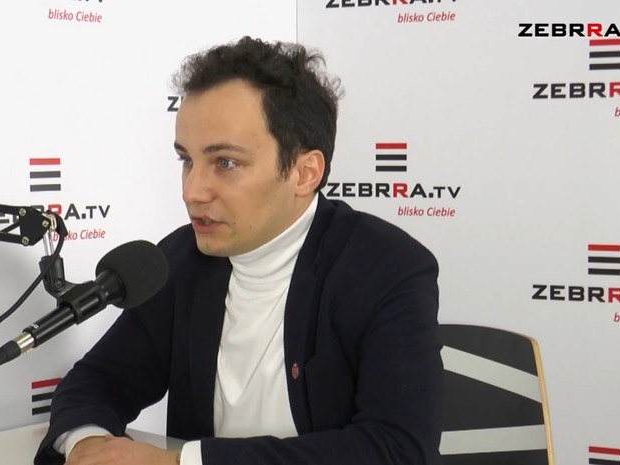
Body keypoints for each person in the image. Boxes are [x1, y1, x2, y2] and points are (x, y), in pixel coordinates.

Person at [34, 36, 443, 465]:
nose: (192, 191)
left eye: (225, 163)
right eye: (187, 160)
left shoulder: (388, 268)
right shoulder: (180, 260)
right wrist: (89, 445)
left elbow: (398, 449)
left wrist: (180, 463)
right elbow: (100, 380)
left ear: (305, 173)